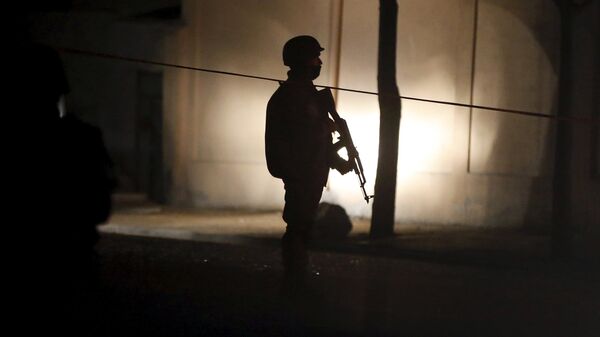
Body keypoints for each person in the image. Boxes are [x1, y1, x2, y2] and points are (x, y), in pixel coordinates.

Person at [265, 35, 351, 290]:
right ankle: (294, 276)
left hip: (310, 171)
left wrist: (337, 155)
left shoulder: (307, 95)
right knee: (298, 225)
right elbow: (306, 139)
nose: (319, 62)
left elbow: (316, 139)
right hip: (301, 172)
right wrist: (331, 133)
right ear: (303, 62)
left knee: (303, 224)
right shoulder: (293, 97)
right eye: (315, 57)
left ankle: (297, 273)